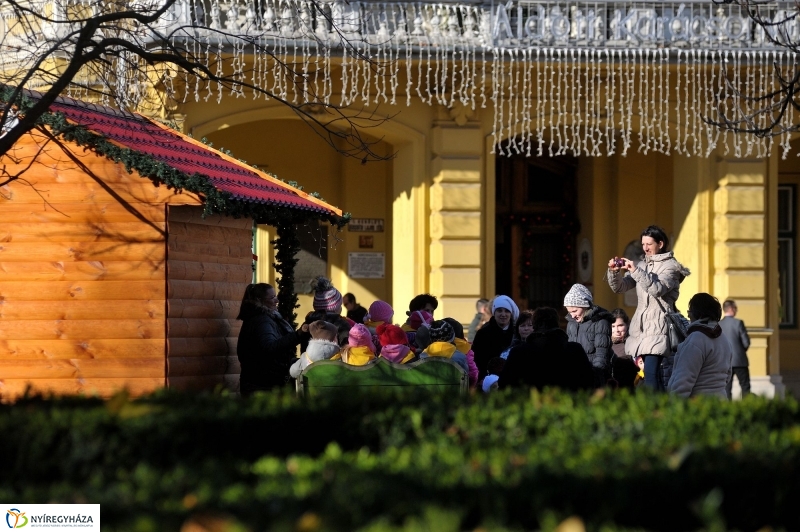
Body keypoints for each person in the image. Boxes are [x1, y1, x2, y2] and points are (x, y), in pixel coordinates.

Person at [606, 225, 691, 391]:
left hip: (659, 325)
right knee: (649, 373)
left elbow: (657, 289)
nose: (645, 248)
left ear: (660, 244)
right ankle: (656, 407)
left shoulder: (671, 267)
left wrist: (636, 271)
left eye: (649, 244)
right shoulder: (643, 265)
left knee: (651, 372)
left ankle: (654, 409)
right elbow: (620, 287)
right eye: (643, 244)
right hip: (641, 328)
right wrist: (614, 272)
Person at [498, 307, 594, 391]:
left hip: (529, 408)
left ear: (534, 325)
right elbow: (590, 383)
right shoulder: (574, 350)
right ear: (557, 323)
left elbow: (504, 385)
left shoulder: (519, 352)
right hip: (566, 406)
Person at [236, 283, 303, 396]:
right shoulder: (262, 320)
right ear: (259, 300)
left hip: (259, 383)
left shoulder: (260, 317)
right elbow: (269, 347)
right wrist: (298, 335)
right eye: (272, 297)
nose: (277, 300)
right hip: (262, 386)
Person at [668, 293, 733, 398]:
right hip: (720, 402)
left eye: (690, 311)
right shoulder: (724, 339)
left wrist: (675, 407)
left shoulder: (696, 339)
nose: (688, 315)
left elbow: (683, 379)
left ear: (698, 313)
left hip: (698, 405)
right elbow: (727, 375)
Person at [563, 283, 613, 387]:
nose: (572, 315)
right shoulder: (571, 323)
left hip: (594, 377)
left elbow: (601, 355)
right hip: (574, 376)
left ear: (585, 306)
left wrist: (595, 376)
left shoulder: (600, 322)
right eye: (569, 312)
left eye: (575, 311)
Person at [471, 295, 519, 379]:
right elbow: (477, 359)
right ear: (494, 312)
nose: (503, 314)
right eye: (499, 311)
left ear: (511, 314)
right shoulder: (483, 333)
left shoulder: (517, 332)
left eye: (507, 311)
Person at [720, 299, 751, 398]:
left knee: (726, 388)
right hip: (740, 361)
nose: (736, 310)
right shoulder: (738, 323)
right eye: (736, 308)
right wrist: (741, 351)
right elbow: (746, 342)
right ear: (731, 309)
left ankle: (728, 409)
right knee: (745, 386)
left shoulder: (719, 324)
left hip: (725, 362)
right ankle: (747, 407)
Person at [443, 317, 479, 388]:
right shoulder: (467, 349)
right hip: (462, 386)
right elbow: (473, 372)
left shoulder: (437, 347)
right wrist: (471, 385)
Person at [609, 308, 638, 391]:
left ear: (627, 325)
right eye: (613, 326)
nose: (617, 330)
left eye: (620, 325)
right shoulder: (605, 343)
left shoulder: (633, 343)